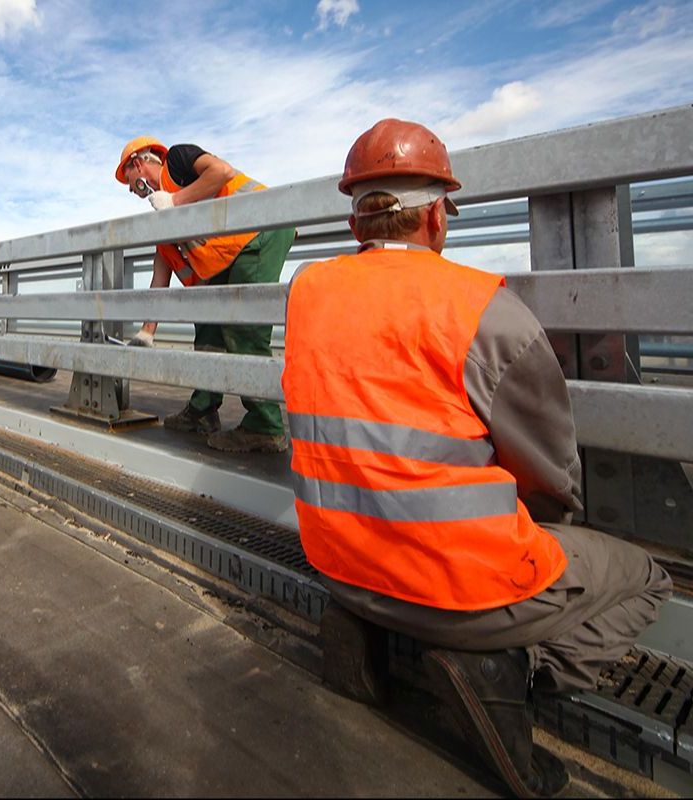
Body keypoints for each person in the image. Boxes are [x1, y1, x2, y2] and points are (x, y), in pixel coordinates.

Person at [282, 119, 672, 797]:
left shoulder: (307, 294)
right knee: (644, 577)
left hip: (338, 565)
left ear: (355, 226)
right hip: (454, 593)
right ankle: (502, 669)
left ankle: (361, 628)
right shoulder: (486, 309)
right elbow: (551, 476)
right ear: (437, 216)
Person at [116, 136, 297, 453]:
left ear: (138, 164)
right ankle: (203, 409)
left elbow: (221, 172)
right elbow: (159, 282)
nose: (131, 190)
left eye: (129, 181)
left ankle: (265, 426)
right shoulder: (166, 225)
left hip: (262, 227)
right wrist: (147, 332)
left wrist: (174, 201)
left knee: (244, 330)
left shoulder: (179, 161)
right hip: (234, 251)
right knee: (209, 325)